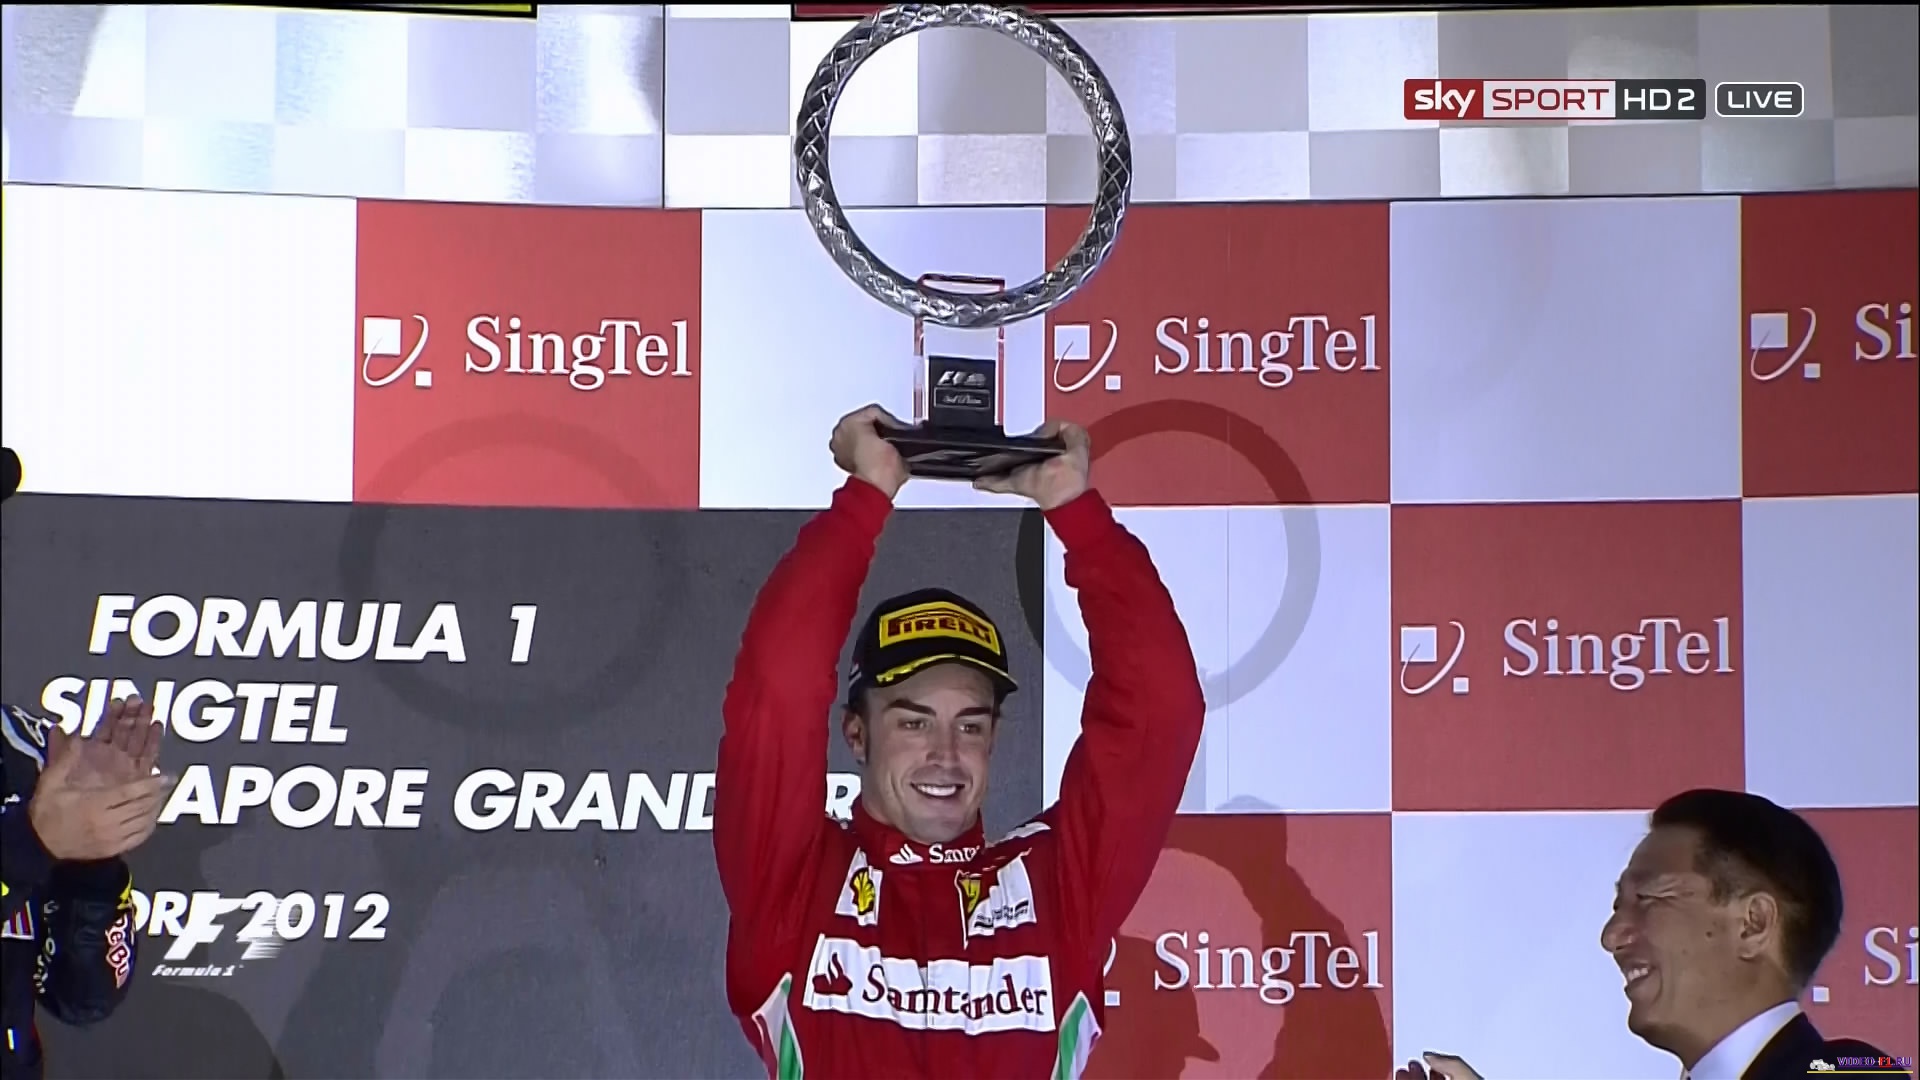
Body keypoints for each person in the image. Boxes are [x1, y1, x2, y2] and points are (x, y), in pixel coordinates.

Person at [714, 405, 1206, 1078]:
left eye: (969, 725)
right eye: (913, 722)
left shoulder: (1058, 890)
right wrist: (865, 498)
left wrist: (1073, 508)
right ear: (856, 733)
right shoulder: (795, 887)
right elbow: (777, 688)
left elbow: (1160, 710)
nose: (945, 753)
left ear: (994, 738)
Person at [1396, 789, 1898, 1080]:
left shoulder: (1852, 1071)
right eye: (1619, 905)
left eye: (1650, 898)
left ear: (1753, 924)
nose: (1612, 935)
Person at [2, 696, 172, 1080]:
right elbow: (30, 845)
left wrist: (92, 859)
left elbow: (81, 999)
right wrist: (30, 842)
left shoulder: (26, 748)